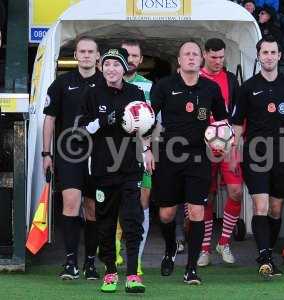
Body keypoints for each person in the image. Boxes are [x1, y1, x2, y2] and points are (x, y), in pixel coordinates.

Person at [232, 35, 284, 279]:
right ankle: (265, 258)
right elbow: (237, 125)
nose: (268, 56)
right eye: (264, 52)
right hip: (255, 153)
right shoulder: (247, 87)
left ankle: (268, 252)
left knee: (276, 210)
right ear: (258, 56)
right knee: (261, 205)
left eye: (272, 52)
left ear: (279, 56)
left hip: (283, 155)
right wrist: (233, 153)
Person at [150, 41, 228, 285]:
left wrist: (223, 144)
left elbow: (222, 123)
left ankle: (191, 268)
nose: (192, 58)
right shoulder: (164, 86)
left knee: (196, 212)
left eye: (195, 54)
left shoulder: (211, 89)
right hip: (169, 156)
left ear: (201, 59)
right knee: (166, 214)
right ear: (179, 60)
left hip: (199, 157)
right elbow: (148, 120)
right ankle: (170, 247)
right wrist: (146, 149)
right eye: (187, 54)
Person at [79, 48, 153, 293]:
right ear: (102, 67)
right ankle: (110, 272)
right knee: (106, 223)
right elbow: (82, 129)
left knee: (132, 220)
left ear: (125, 68)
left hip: (131, 167)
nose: (111, 69)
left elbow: (147, 127)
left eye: (116, 65)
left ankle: (132, 274)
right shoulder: (92, 93)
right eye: (107, 64)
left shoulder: (135, 93)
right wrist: (104, 120)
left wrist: (147, 143)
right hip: (102, 169)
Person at [42, 36, 101, 280]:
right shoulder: (61, 83)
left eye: (91, 52)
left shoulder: (107, 82)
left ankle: (89, 262)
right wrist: (46, 153)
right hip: (69, 153)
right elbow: (49, 119)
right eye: (82, 51)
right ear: (76, 55)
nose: (86, 55)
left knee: (92, 208)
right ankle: (70, 262)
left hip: (101, 156)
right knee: (70, 202)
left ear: (98, 56)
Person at [197, 38, 243, 267]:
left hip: (227, 146)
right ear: (204, 54)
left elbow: (237, 115)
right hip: (202, 149)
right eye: (213, 57)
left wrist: (233, 146)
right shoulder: (195, 78)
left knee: (235, 192)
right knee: (206, 196)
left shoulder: (231, 79)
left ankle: (223, 242)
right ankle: (204, 248)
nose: (217, 61)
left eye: (221, 57)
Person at [113, 39, 153, 277]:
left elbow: (153, 122)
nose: (130, 59)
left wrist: (149, 150)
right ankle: (115, 245)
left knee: (142, 204)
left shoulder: (148, 86)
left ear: (140, 59)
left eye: (135, 55)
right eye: (126, 54)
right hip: (111, 153)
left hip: (140, 152)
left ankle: (135, 258)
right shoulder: (107, 83)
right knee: (115, 201)